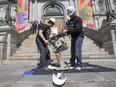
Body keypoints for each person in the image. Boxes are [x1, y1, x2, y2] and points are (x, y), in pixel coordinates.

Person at [63, 6, 84, 70]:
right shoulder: (70, 21)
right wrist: (66, 33)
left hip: (79, 36)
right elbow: (70, 29)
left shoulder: (78, 19)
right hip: (73, 36)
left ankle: (79, 65)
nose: (70, 16)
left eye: (71, 15)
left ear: (74, 12)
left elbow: (77, 29)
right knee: (72, 51)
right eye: (70, 15)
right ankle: (72, 63)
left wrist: (68, 31)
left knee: (77, 51)